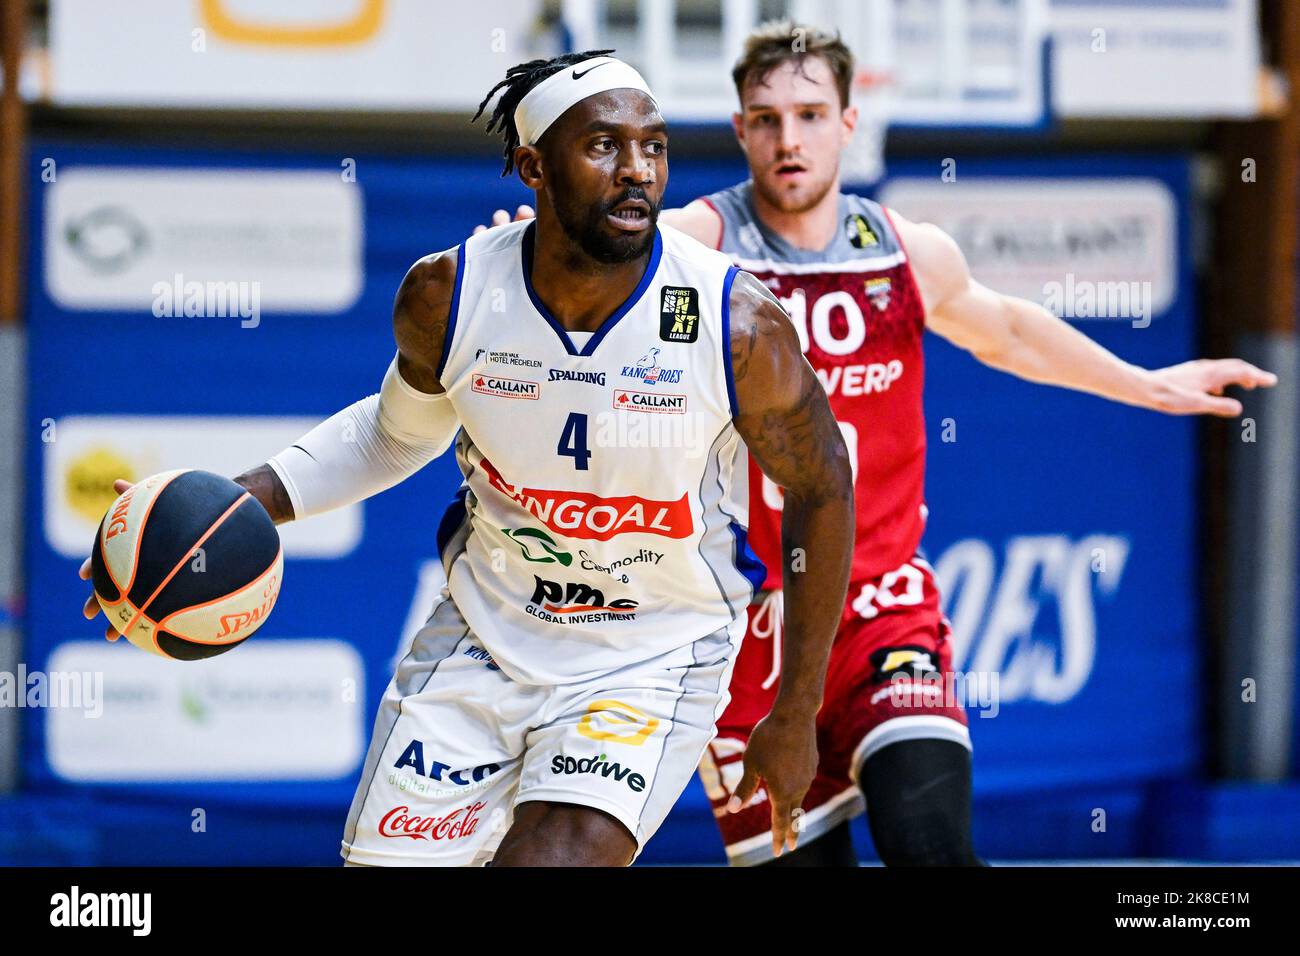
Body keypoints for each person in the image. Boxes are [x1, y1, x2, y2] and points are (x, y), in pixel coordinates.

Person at [484, 22, 1277, 867]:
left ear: (849, 123)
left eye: (811, 115)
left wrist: (1145, 383)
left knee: (933, 848)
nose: (790, 139)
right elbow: (596, 258)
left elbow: (1008, 330)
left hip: (880, 607)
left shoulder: (904, 252)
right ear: (741, 127)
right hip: (740, 629)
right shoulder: (697, 247)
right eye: (767, 118)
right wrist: (539, 250)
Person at [79, 51, 855, 867]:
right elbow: (393, 433)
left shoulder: (736, 326)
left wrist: (796, 708)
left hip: (653, 651)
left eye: (653, 147)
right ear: (532, 166)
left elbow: (821, 486)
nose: (636, 171)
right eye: (602, 147)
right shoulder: (447, 297)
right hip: (485, 640)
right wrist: (218, 514)